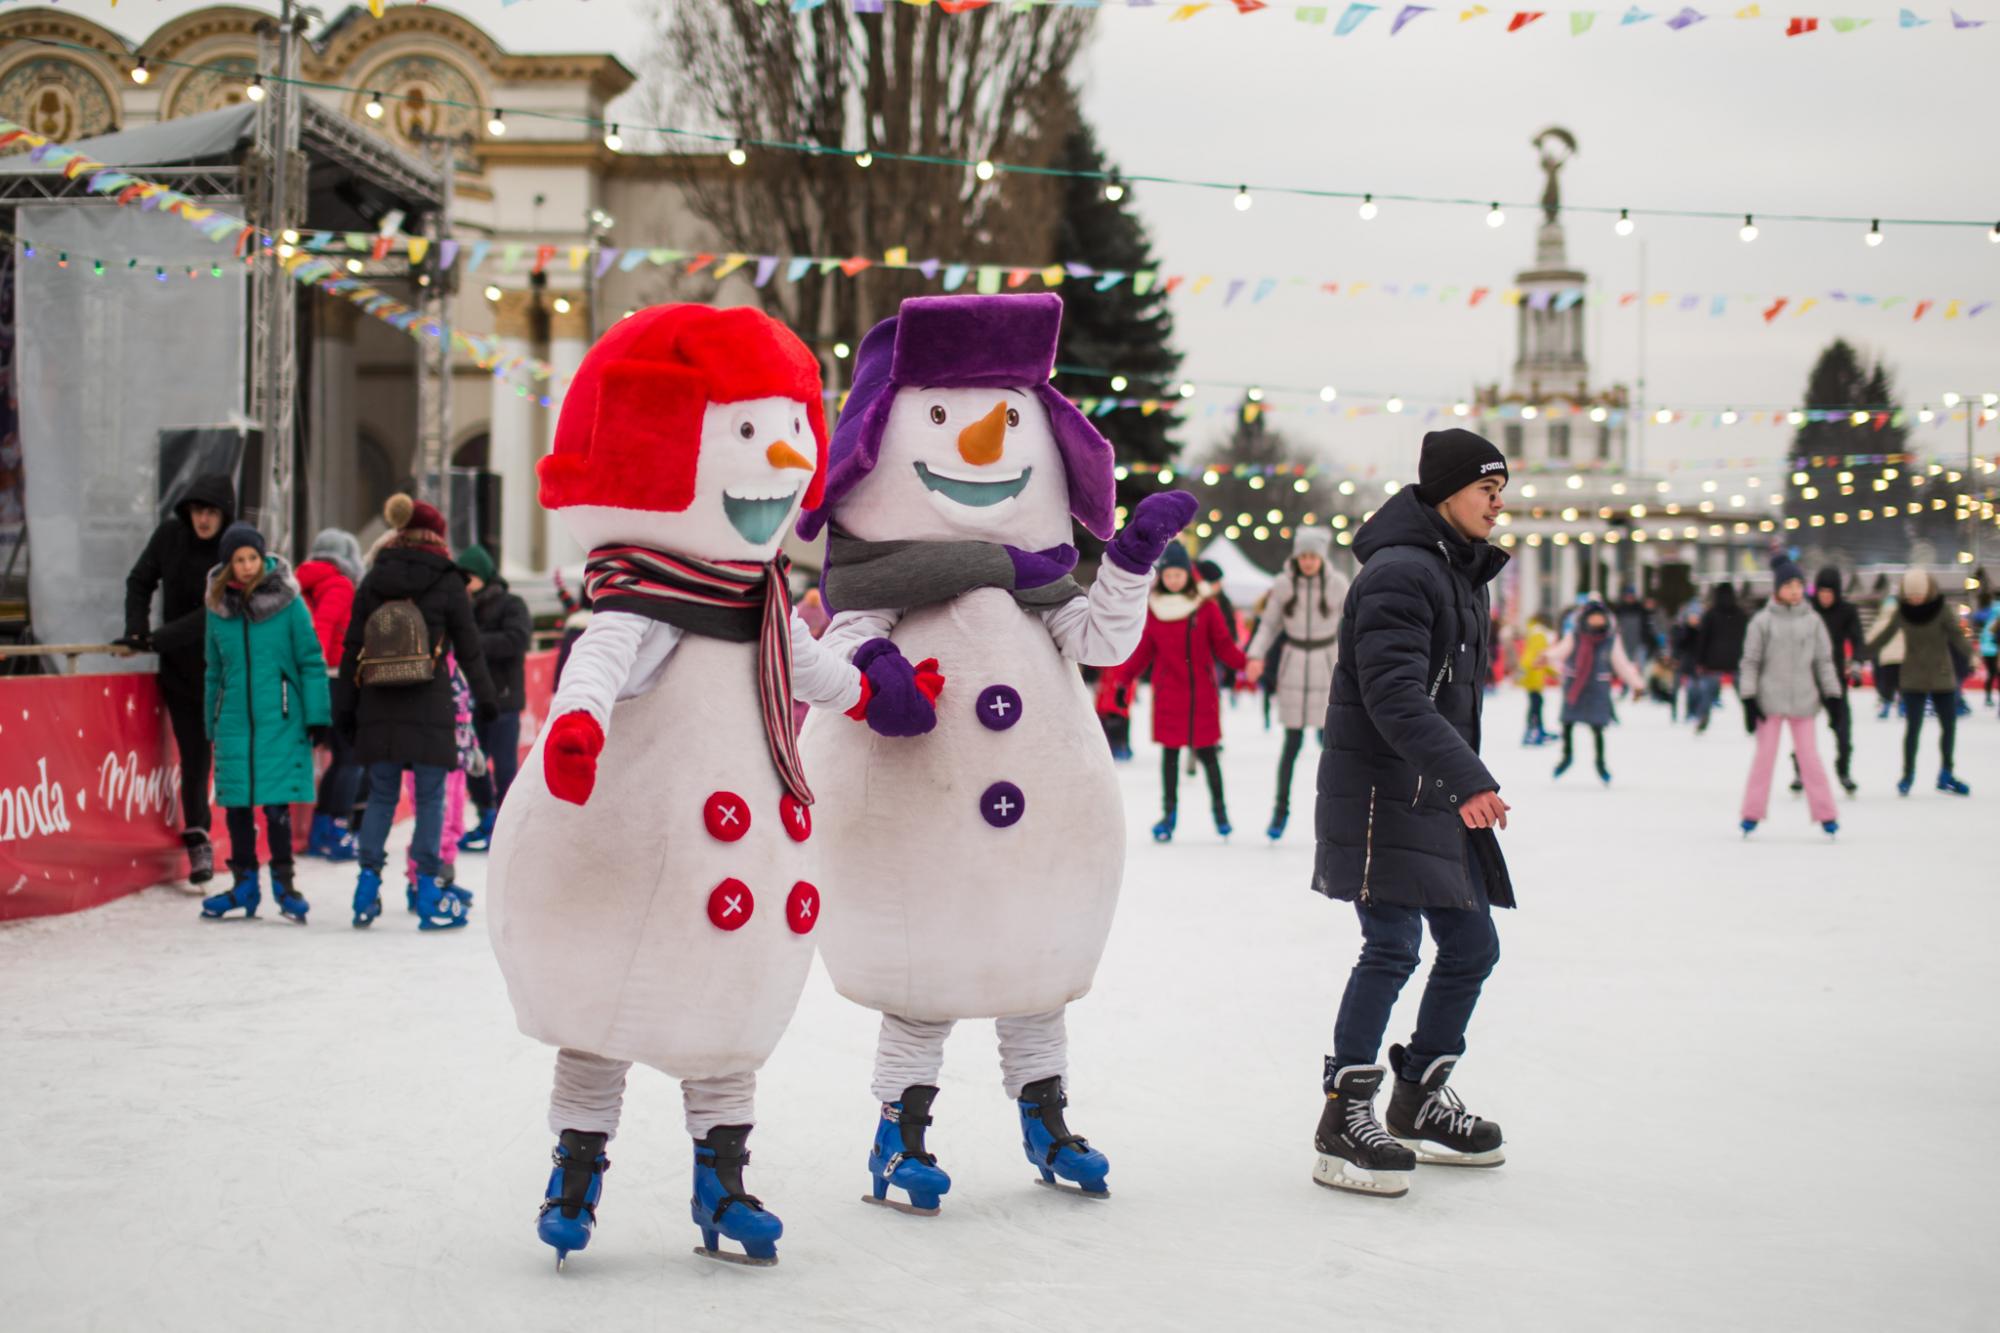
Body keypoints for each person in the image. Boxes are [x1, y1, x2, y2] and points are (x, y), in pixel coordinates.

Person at [1311, 428, 1512, 1200]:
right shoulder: (1401, 573)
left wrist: (1456, 778)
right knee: (1392, 944)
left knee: (1471, 945)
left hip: (1429, 789)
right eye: (1486, 487)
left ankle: (1419, 1097)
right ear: (1446, 492)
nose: (1499, 501)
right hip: (1378, 793)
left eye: (1503, 488)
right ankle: (1345, 1111)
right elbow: (1394, 694)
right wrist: (1466, 777)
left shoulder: (1460, 573)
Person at [333, 493, 498, 931]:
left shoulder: (373, 579)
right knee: (429, 798)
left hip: (378, 703)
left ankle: (366, 888)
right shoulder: (447, 580)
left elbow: (353, 648)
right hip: (429, 703)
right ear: (436, 537)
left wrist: (345, 708)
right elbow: (470, 649)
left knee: (382, 796)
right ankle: (427, 890)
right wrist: (489, 699)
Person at [197, 524, 330, 922]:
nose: (246, 566)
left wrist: (318, 714)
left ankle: (285, 886)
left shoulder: (288, 602)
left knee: (276, 808)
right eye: (238, 560)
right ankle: (243, 886)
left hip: (281, 718)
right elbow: (213, 669)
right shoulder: (217, 607)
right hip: (234, 721)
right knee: (237, 806)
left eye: (252, 558)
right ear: (227, 565)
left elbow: (310, 659)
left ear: (262, 557)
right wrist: (211, 720)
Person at [120, 472, 236, 885]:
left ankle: (240, 842)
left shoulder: (234, 548)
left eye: (210, 512)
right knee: (195, 755)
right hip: (179, 669)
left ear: (225, 514)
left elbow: (216, 610)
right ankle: (199, 839)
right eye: (196, 511)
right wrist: (136, 630)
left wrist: (156, 639)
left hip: (224, 669)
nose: (202, 519)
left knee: (222, 758)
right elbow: (140, 580)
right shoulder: (170, 536)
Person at [1122, 541, 1248, 842]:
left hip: (1201, 693)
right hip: (1169, 694)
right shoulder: (1155, 610)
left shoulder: (1205, 608)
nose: (1173, 580)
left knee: (1208, 756)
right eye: (1168, 575)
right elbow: (1143, 651)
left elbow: (1224, 646)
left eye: (1178, 574)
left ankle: (1220, 812)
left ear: (1188, 575)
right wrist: (1123, 678)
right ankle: (1168, 815)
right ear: (1162, 577)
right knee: (1170, 758)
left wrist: (1247, 665)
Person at [1245, 527, 1349, 840]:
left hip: (1325, 665)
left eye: (1312, 556)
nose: (1307, 562)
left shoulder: (1337, 584)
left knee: (1330, 746)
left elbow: (1354, 624)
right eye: (1302, 556)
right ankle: (1280, 811)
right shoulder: (1284, 585)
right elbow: (1269, 625)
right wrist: (1255, 655)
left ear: (1321, 557)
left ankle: (1341, 812)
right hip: (1294, 666)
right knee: (1290, 745)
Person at [1739, 558, 1842, 837]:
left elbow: (1824, 662)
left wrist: (1833, 696)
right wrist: (1748, 698)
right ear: (1777, 589)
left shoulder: (1812, 621)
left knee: (1810, 758)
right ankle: (1751, 812)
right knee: (1764, 758)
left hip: (1804, 701)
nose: (1795, 590)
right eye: (1789, 585)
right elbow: (1750, 662)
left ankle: (1826, 814)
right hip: (1768, 701)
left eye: (1799, 585)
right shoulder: (1763, 621)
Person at [1868, 569, 1973, 796]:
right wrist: (1861, 653)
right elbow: (1884, 636)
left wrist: (1971, 656)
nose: (1915, 599)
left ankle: (1946, 773)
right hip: (1913, 676)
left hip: (1941, 674)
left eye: (1919, 595)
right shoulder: (1903, 612)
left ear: (1928, 592)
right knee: (1913, 729)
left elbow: (1956, 635)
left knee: (1949, 726)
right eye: (1911, 595)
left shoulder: (1942, 610)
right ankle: (1908, 774)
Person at [455, 543, 531, 853]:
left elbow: (517, 639)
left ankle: (506, 823)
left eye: (469, 577)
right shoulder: (461, 606)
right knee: (473, 764)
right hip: (472, 700)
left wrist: (474, 644)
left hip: (503, 699)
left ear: (483, 575)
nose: (466, 584)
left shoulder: (511, 604)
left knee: (504, 766)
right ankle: (487, 815)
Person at [297, 528, 363, 859]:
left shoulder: (304, 581)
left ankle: (324, 827)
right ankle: (333, 827)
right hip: (334, 679)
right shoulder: (339, 583)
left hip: (321, 680)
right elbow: (321, 628)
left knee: (342, 756)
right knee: (351, 756)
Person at [1544, 599, 1645, 784]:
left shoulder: (1610, 639)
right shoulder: (1575, 636)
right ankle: (1567, 758)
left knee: (1598, 728)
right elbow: (1561, 651)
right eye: (1593, 617)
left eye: (1600, 617)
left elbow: (1622, 664)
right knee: (1567, 725)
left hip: (1597, 689)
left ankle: (1601, 764)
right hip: (1576, 687)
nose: (1597, 621)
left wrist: (1637, 684)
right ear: (1586, 619)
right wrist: (1546, 656)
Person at [1801, 565, 1865, 796]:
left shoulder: (1846, 611)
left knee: (1843, 729)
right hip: (1807, 678)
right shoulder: (1807, 610)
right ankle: (1800, 772)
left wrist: (1856, 665)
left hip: (1834, 679)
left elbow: (1858, 640)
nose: (1825, 597)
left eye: (1830, 593)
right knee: (1804, 730)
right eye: (1822, 592)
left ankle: (1844, 771)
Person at [1689, 582, 1748, 733]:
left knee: (1708, 695)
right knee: (1744, 694)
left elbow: (1703, 639)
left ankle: (1703, 718)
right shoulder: (1741, 614)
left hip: (1713, 661)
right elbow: (1747, 638)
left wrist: (1700, 660)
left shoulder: (1711, 614)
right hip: (1736, 660)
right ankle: (1751, 720)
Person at [1516, 614, 1556, 745]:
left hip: (1533, 675)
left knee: (1537, 703)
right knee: (1536, 704)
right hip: (1534, 676)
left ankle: (1538, 730)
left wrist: (1553, 673)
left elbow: (1539, 657)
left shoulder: (1534, 632)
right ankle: (1532, 732)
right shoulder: (1539, 634)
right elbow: (1534, 655)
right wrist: (1524, 671)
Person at [1866, 591, 1904, 719]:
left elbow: (1870, 638)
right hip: (1902, 659)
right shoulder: (1902, 621)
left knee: (1887, 684)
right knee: (1901, 684)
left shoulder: (1880, 621)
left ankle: (1886, 706)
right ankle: (1902, 706)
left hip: (1887, 660)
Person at [1612, 586, 1656, 672]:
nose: (1629, 598)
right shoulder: (1619, 610)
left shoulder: (1641, 610)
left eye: (1631, 596)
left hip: (1639, 644)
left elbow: (1647, 628)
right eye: (1627, 596)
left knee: (1640, 669)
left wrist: (1649, 643)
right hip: (1624, 644)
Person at [1976, 592, 1998, 708]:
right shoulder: (1996, 615)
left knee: (1991, 673)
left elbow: (1977, 617)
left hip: (1987, 650)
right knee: (1996, 674)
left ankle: (1988, 697)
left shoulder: (1987, 615)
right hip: (1996, 650)